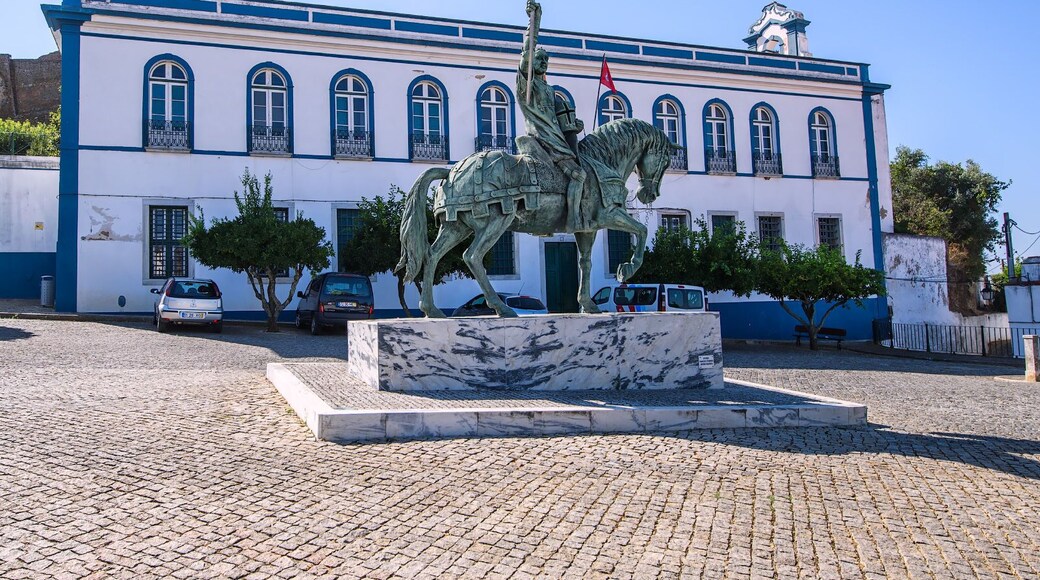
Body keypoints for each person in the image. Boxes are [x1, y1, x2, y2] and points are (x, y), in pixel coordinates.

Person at [517, 0, 587, 231]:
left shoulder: (549, 89)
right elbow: (528, 50)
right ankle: (573, 221)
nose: (544, 62)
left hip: (557, 140)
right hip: (545, 142)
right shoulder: (527, 85)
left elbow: (557, 120)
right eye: (540, 59)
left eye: (547, 60)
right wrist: (533, 23)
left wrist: (572, 127)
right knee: (578, 176)